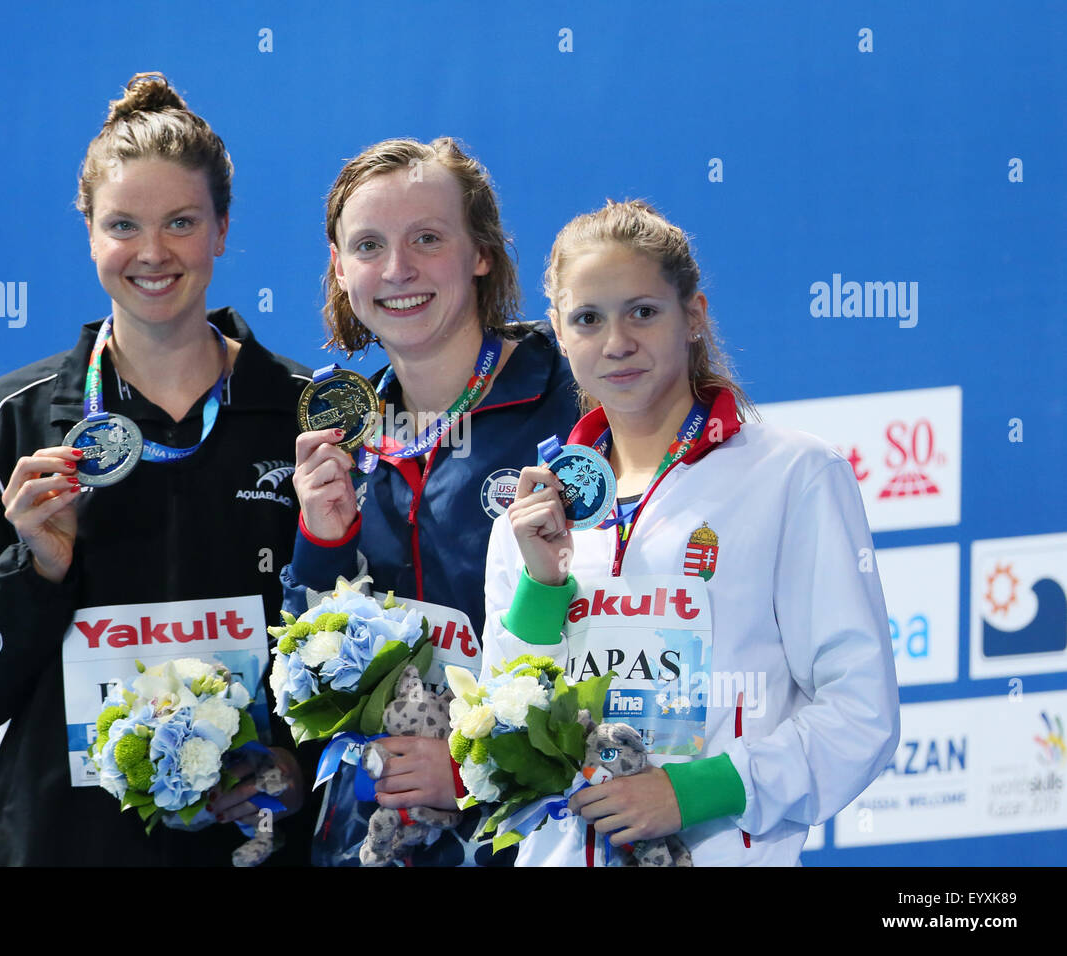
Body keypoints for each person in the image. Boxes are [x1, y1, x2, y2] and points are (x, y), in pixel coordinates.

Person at [0, 73, 312, 865]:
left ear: (222, 229)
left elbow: (363, 649)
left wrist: (300, 765)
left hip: (260, 848)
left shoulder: (303, 413)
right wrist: (35, 569)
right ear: (90, 233)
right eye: (123, 225)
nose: (153, 253)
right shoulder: (12, 421)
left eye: (181, 222)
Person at [482, 199, 901, 866]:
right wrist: (542, 584)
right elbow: (501, 738)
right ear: (559, 331)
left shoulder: (791, 474)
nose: (616, 342)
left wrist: (691, 791)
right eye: (588, 319)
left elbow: (860, 713)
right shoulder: (535, 512)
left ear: (694, 315)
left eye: (642, 312)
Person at [282, 137, 580, 865]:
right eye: (368, 245)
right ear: (339, 267)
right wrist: (320, 542)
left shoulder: (576, 398)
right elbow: (315, 667)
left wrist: (482, 769)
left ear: (481, 250)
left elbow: (630, 635)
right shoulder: (343, 436)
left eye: (426, 239)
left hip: (548, 834)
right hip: (375, 838)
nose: (396, 270)